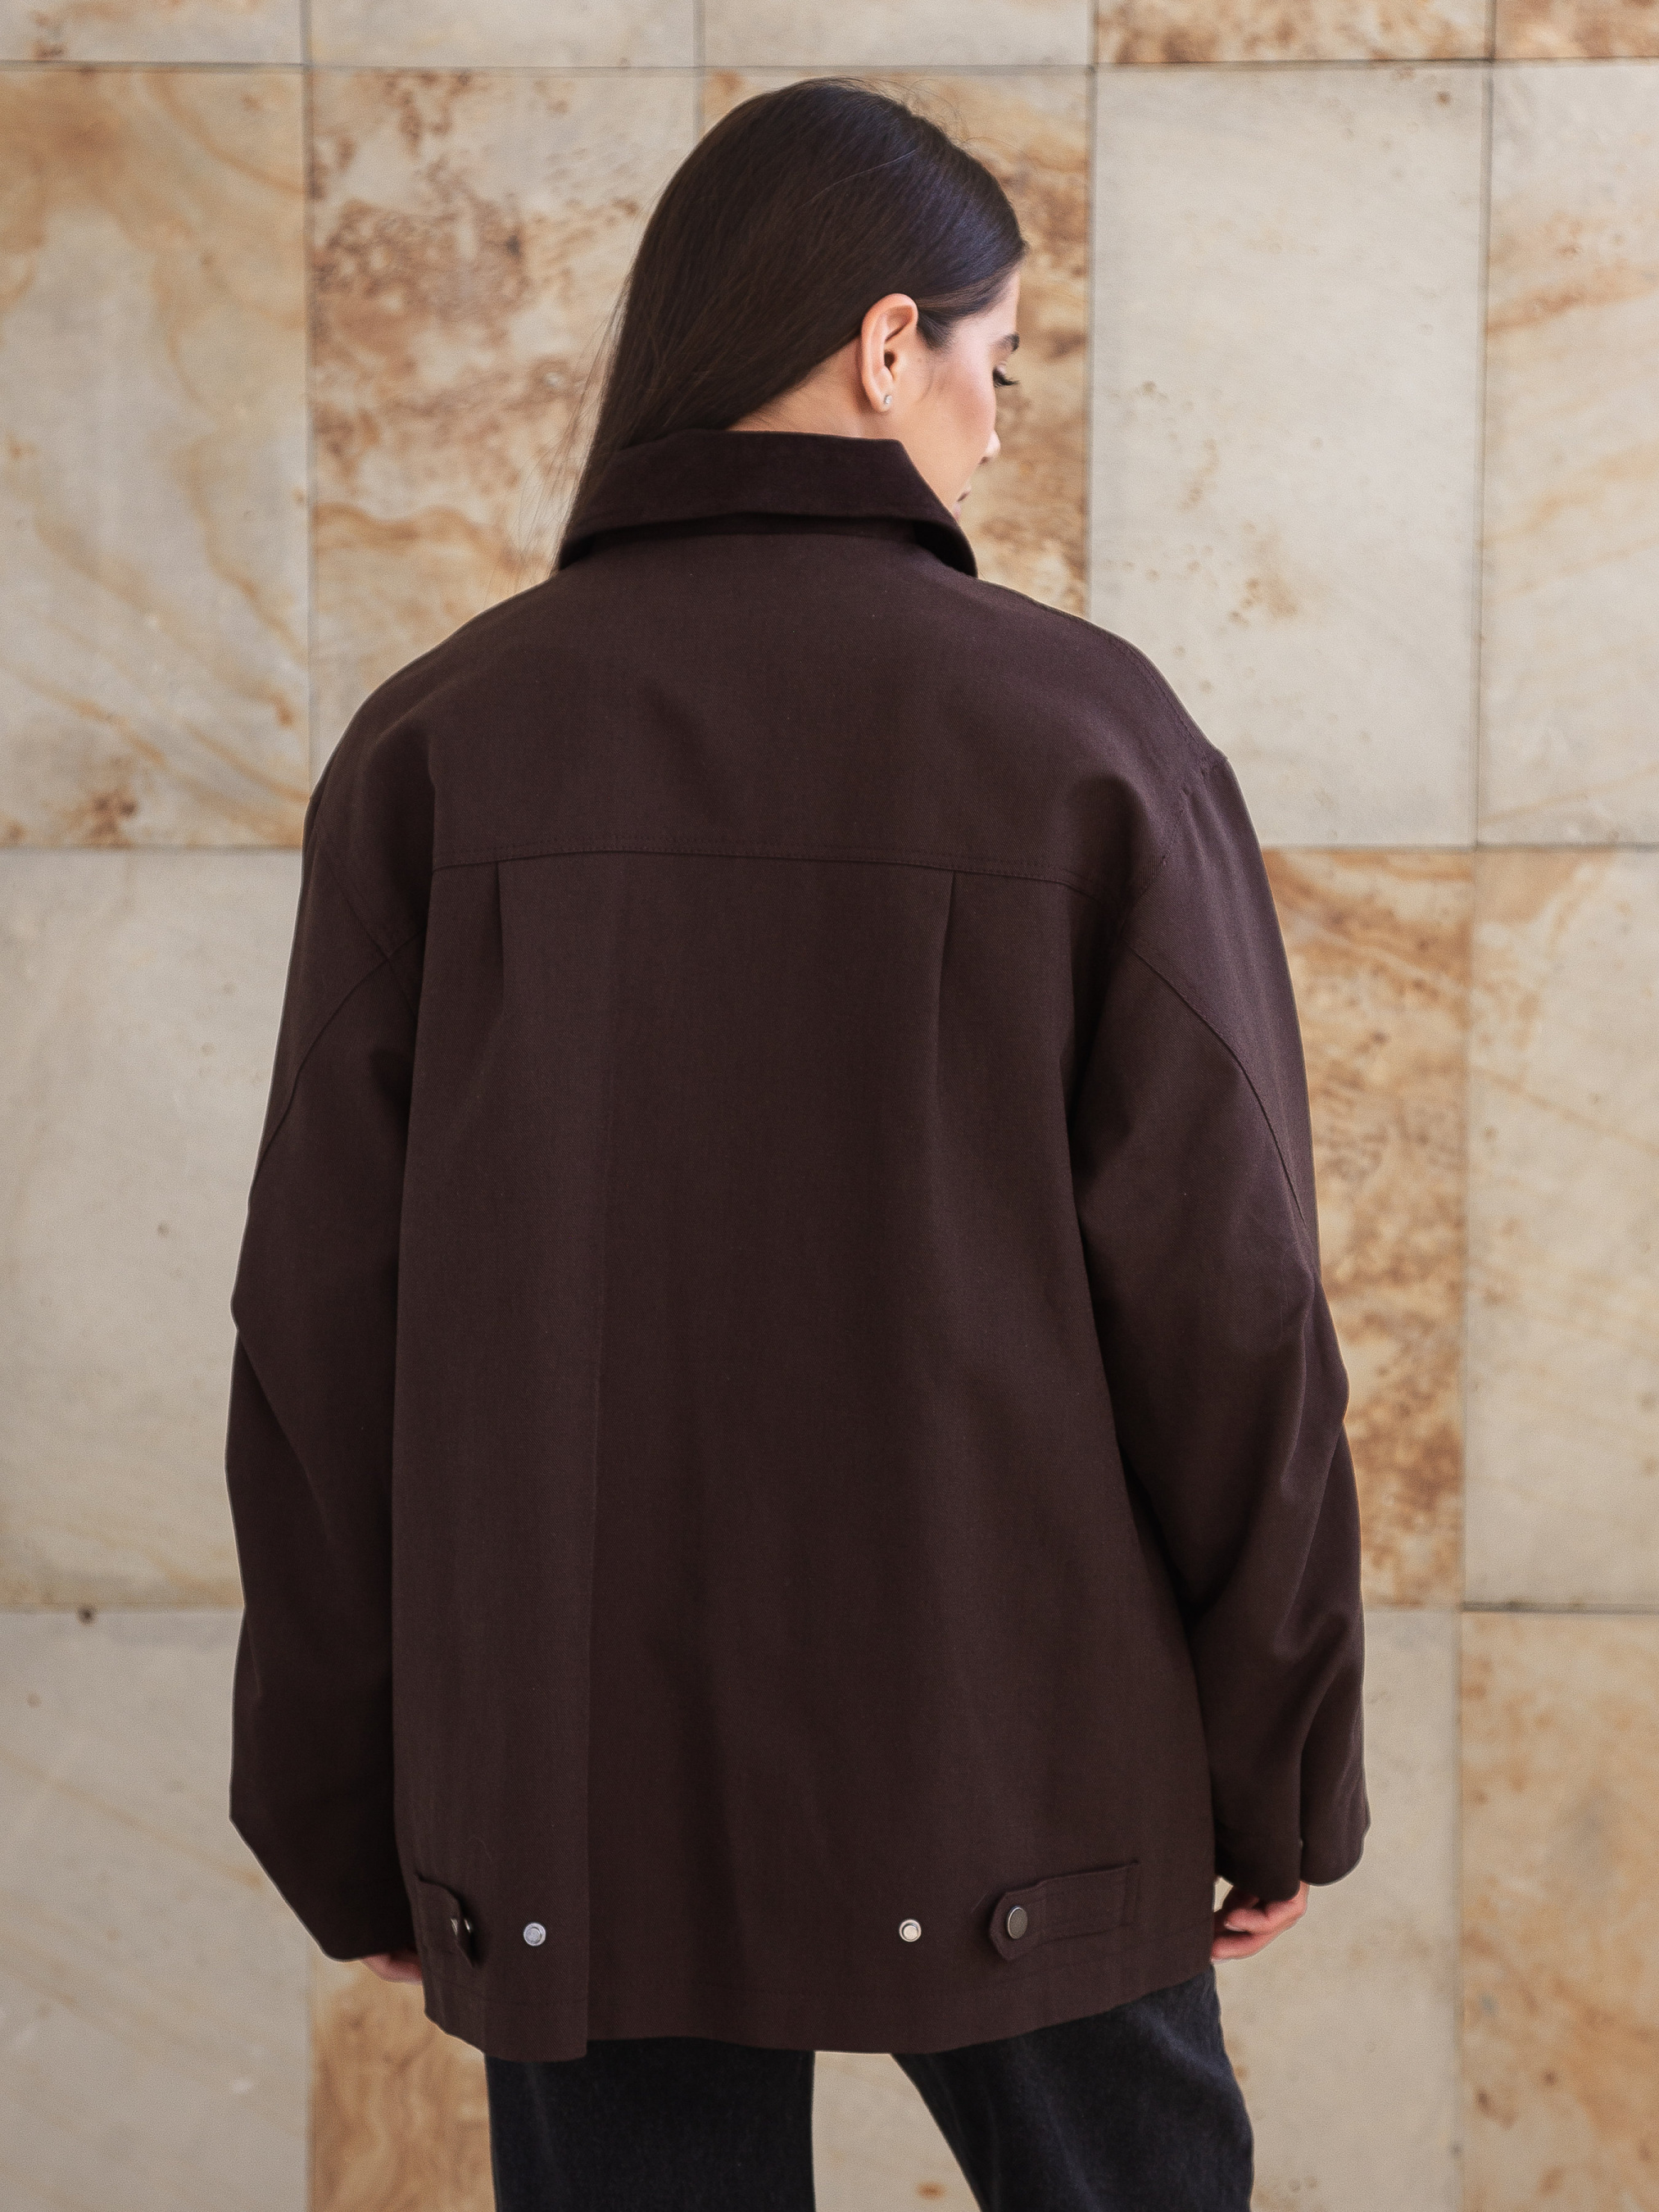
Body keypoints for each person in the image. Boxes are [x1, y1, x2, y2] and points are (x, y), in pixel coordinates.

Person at [224, 79, 1368, 2212]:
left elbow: (318, 1339)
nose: (995, 426)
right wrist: (1282, 1760)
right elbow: (1231, 1304)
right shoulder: (1087, 736)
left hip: (575, 1786)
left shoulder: (440, 746)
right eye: (995, 363)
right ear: (883, 343)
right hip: (1033, 1759)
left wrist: (345, 1796)